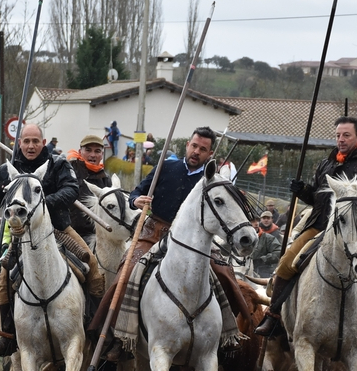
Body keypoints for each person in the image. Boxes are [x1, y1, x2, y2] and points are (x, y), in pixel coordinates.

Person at [89, 126, 253, 356]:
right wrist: (136, 201)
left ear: (210, 154)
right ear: (188, 145)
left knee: (225, 273)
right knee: (127, 272)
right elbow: (137, 192)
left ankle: (228, 335)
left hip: (196, 241)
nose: (196, 151)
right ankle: (117, 335)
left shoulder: (212, 181)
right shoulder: (166, 166)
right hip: (155, 233)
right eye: (194, 146)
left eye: (203, 149)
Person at [255, 116, 357, 354]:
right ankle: (274, 316)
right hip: (320, 226)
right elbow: (317, 199)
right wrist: (303, 191)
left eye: (347, 135)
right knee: (287, 263)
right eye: (338, 135)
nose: (341, 140)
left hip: (353, 233)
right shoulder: (326, 164)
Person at [0, 123, 104, 356]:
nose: (30, 146)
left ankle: (93, 328)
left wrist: (40, 203)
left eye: (35, 141)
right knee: (3, 277)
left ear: (43, 142)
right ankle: (8, 336)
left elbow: (71, 190)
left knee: (93, 266)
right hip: (22, 236)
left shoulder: (58, 164)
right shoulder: (10, 168)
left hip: (58, 229)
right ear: (19, 143)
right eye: (26, 141)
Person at [68, 134, 112, 241]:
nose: (93, 155)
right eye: (88, 150)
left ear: (102, 154)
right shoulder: (68, 172)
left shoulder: (105, 179)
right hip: (69, 233)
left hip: (97, 236)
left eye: (97, 151)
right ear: (80, 151)